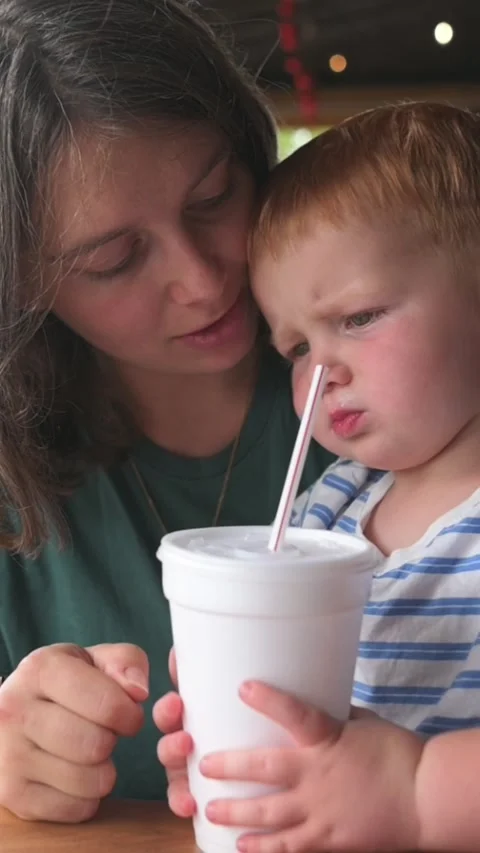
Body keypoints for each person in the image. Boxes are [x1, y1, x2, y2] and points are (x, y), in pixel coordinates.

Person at [0, 0, 335, 824]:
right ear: (25, 288)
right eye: (115, 259)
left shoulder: (391, 383)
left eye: (214, 195)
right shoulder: (15, 478)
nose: (202, 278)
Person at [157, 102, 480, 852]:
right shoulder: (326, 510)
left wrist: (416, 794)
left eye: (358, 317)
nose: (324, 372)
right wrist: (245, 759)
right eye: (297, 348)